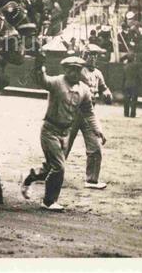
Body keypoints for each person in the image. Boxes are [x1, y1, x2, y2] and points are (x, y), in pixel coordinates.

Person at [20, 55, 105, 211]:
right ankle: (48, 201)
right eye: (71, 69)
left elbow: (89, 113)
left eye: (78, 69)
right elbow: (42, 80)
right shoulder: (57, 82)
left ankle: (30, 177)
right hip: (50, 131)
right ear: (65, 69)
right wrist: (40, 66)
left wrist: (98, 129)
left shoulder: (84, 89)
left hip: (65, 132)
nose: (74, 72)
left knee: (50, 168)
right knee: (59, 166)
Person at [64, 50, 112, 189]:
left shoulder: (98, 73)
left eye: (96, 56)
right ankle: (50, 173)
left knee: (95, 146)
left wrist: (107, 93)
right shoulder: (78, 71)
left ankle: (92, 179)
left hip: (88, 113)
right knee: (64, 145)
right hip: (74, 111)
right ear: (85, 57)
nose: (94, 58)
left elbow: (104, 87)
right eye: (91, 55)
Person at [121, 53, 141, 118]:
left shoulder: (125, 66)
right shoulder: (136, 66)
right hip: (134, 84)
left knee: (126, 100)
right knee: (134, 100)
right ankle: (132, 114)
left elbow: (124, 77)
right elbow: (138, 76)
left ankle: (126, 113)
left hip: (127, 84)